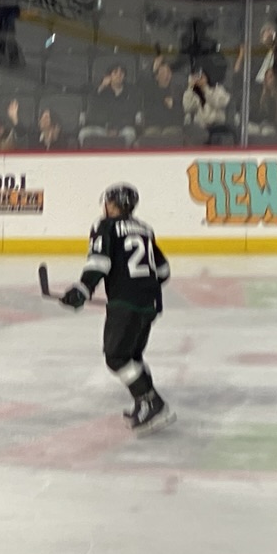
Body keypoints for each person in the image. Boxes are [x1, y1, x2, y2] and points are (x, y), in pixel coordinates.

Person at [56, 184, 174, 432]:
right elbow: (163, 271)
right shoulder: (145, 229)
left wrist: (83, 290)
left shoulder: (105, 226)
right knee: (132, 356)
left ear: (111, 204)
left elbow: (99, 262)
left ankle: (153, 403)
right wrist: (142, 287)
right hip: (151, 302)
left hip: (126, 303)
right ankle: (143, 403)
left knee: (116, 357)